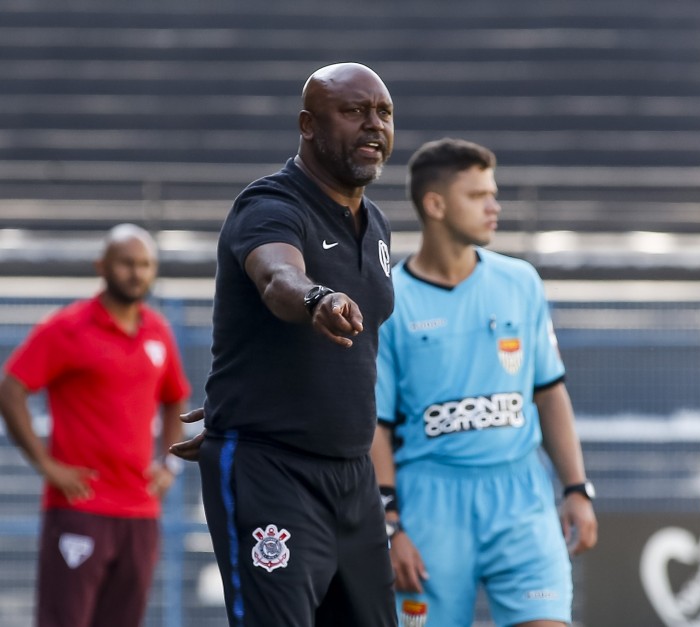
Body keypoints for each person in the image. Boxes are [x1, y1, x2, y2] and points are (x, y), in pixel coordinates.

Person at [185, 62, 397, 626]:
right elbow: (279, 278)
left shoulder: (374, 223)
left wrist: (246, 392)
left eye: (383, 112)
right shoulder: (271, 205)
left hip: (352, 478)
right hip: (273, 473)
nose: (373, 125)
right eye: (353, 112)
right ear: (308, 124)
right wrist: (317, 300)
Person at [370, 137, 598, 627]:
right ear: (435, 204)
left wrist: (576, 488)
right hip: (429, 505)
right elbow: (376, 426)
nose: (494, 207)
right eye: (477, 196)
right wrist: (392, 527)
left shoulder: (521, 283)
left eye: (493, 193)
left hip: (520, 496)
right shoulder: (389, 303)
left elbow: (549, 390)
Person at [0, 223, 191, 627]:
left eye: (145, 264)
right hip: (80, 506)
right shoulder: (66, 328)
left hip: (140, 510)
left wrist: (169, 463)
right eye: (127, 263)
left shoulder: (157, 329)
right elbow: (11, 389)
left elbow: (176, 398)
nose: (137, 273)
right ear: (101, 266)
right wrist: (46, 465)